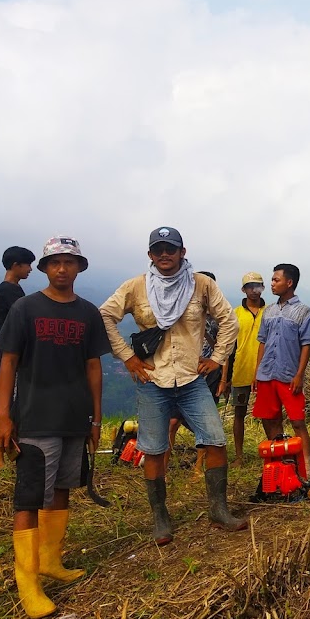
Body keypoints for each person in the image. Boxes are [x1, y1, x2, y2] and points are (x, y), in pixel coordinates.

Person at [100, 227, 244, 546]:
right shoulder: (136, 287)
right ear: (150, 255)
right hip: (153, 380)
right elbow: (105, 317)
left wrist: (218, 358)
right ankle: (161, 518)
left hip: (191, 379)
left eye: (171, 249)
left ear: (183, 252)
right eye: (159, 249)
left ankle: (219, 509)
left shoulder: (201, 284)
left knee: (216, 440)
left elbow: (228, 321)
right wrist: (128, 358)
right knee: (153, 448)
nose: (165, 254)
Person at [0, 236, 110, 618]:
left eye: (70, 262)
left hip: (75, 416)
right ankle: (27, 580)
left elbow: (93, 367)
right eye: (55, 262)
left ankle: (50, 560)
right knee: (29, 498)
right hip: (35, 416)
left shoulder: (88, 313)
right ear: (45, 268)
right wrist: (3, 414)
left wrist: (95, 418)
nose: (63, 268)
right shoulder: (26, 308)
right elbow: (8, 360)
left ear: (79, 267)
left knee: (62, 488)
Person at [254, 263, 310, 475]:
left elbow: (306, 345)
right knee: (270, 420)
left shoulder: (304, 312)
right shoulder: (269, 311)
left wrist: (299, 375)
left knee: (298, 421)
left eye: (276, 280)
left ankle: (306, 470)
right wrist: (257, 372)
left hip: (289, 376)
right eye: (272, 279)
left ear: (289, 283)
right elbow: (262, 342)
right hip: (267, 374)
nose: (271, 284)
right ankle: (281, 463)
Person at [166, 271, 224, 476]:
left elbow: (224, 352)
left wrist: (223, 380)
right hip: (183, 375)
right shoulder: (185, 313)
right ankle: (163, 467)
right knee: (172, 421)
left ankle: (199, 467)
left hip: (209, 377)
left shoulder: (218, 320)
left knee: (202, 423)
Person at [0, 245, 36, 468]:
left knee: (11, 406)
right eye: (27, 264)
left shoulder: (9, 289)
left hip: (6, 352)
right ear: (15, 265)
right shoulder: (10, 290)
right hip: (8, 354)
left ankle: (7, 454)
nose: (30, 269)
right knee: (7, 408)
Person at [221, 272, 267, 466]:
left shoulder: (271, 311)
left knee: (268, 415)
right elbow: (227, 349)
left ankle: (272, 452)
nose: (253, 290)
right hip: (240, 371)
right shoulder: (235, 314)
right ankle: (239, 456)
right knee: (239, 414)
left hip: (265, 372)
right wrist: (225, 378)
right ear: (243, 289)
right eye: (250, 286)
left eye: (257, 286)